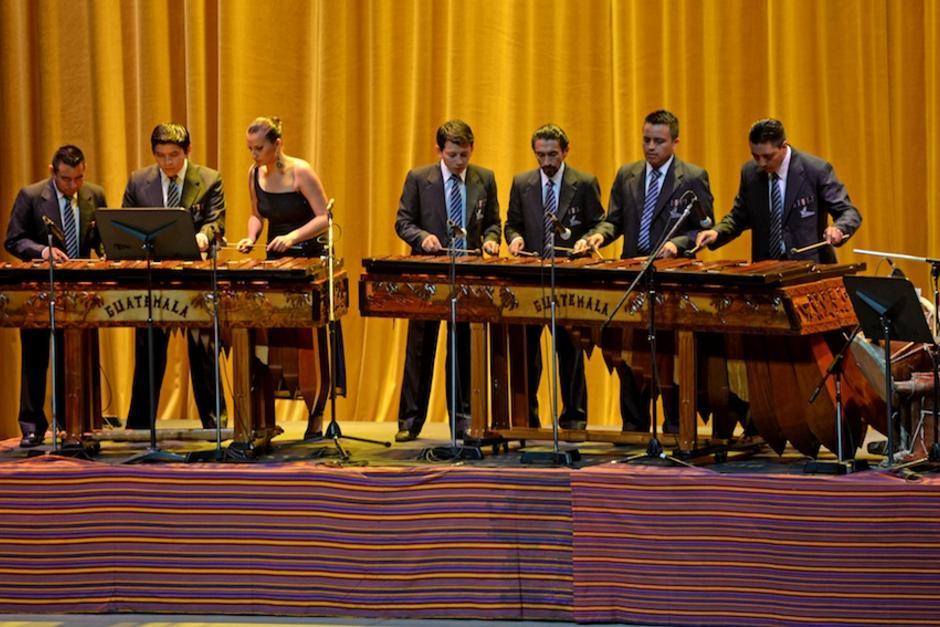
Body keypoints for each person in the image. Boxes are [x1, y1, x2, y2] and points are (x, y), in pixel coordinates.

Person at [576, 110, 715, 433]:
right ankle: (634, 429)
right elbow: (614, 220)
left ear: (675, 142)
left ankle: (675, 428)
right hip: (632, 274)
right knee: (630, 356)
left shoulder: (693, 177)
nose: (650, 147)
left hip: (671, 277)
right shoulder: (628, 174)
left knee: (670, 359)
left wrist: (678, 244)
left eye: (658, 141)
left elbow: (704, 228)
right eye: (646, 139)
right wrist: (597, 235)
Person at [236, 115, 345, 439]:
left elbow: (324, 217)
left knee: (306, 342)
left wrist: (293, 237)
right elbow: (257, 214)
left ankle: (316, 416)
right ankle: (264, 418)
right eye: (250, 148)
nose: (254, 155)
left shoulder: (301, 171)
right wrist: (251, 237)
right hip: (276, 260)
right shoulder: (254, 173)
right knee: (269, 339)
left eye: (259, 148)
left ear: (277, 144)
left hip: (306, 259)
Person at [393, 119, 501, 442]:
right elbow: (402, 222)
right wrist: (422, 237)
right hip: (429, 273)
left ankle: (462, 420)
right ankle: (409, 421)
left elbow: (494, 221)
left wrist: (492, 241)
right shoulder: (418, 178)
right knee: (420, 348)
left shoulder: (485, 178)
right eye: (452, 155)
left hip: (467, 274)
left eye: (464, 155)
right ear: (439, 150)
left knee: (463, 346)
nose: (458, 162)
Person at [123, 122, 227, 430]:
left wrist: (204, 237)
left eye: (174, 155)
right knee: (148, 354)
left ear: (188, 151)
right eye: (160, 155)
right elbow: (125, 222)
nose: (167, 163)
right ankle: (140, 428)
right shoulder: (138, 181)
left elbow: (216, 222)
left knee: (204, 352)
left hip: (194, 278)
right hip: (152, 279)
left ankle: (215, 426)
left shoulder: (208, 179)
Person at [4, 145, 108, 447]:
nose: (73, 186)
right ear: (53, 172)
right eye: (66, 179)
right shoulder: (31, 196)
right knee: (35, 358)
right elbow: (14, 239)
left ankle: (73, 422)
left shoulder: (94, 195)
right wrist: (42, 251)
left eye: (78, 178)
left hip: (80, 292)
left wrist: (106, 254)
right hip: (40, 290)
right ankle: (32, 426)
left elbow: (102, 237)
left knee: (74, 357)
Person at [504, 124, 604, 430]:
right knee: (528, 355)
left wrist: (588, 240)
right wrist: (515, 239)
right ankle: (527, 418)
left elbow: (599, 223)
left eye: (552, 154)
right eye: (540, 155)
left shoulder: (584, 183)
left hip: (568, 279)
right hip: (532, 280)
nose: (546, 161)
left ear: (565, 150)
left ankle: (574, 418)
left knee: (570, 353)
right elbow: (512, 223)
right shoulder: (522, 183)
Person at [695, 117, 861, 262]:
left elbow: (849, 212)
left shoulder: (815, 170)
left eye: (767, 157)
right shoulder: (750, 172)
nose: (761, 163)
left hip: (809, 267)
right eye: (755, 156)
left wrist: (839, 228)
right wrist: (717, 233)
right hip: (767, 269)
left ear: (784, 146)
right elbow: (739, 217)